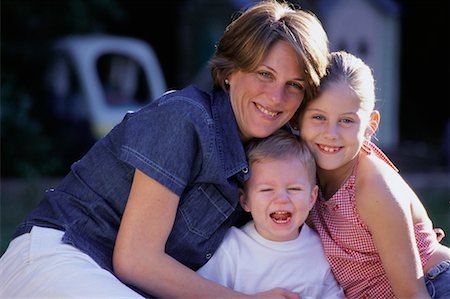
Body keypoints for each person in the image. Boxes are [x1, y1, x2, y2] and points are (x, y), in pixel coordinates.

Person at [0, 1, 330, 298]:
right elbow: (136, 261)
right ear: (230, 72)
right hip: (60, 255)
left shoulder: (272, 158)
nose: (276, 97)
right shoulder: (185, 119)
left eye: (294, 85)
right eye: (264, 74)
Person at [296, 50, 450, 298]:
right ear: (298, 119)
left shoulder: (372, 187)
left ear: (370, 125)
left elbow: (413, 293)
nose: (331, 133)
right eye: (318, 117)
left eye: (346, 121)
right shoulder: (299, 170)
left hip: (433, 286)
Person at [197, 129, 345, 298]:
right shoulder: (232, 248)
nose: (282, 199)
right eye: (267, 189)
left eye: (294, 189)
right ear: (245, 200)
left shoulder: (321, 250)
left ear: (312, 198)